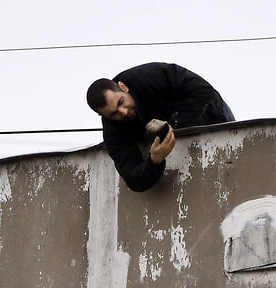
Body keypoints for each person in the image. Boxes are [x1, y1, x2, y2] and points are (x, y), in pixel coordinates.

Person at [85, 62, 234, 192]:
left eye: (121, 102)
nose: (124, 112)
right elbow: (133, 179)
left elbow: (202, 91)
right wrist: (154, 160)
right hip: (182, 159)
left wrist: (172, 125)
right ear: (104, 116)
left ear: (123, 87)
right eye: (114, 113)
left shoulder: (151, 75)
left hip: (212, 113)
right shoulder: (113, 130)